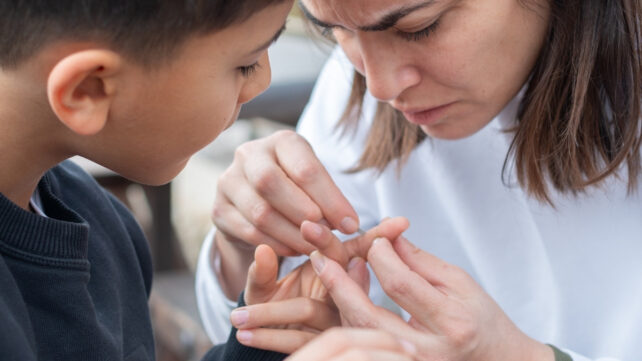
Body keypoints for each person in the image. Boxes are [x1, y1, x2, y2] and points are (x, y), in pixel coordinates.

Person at [196, 0, 642, 360]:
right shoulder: (351, 87)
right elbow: (261, 328)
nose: (380, 87)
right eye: (335, 31)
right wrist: (243, 249)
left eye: (419, 28)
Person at [0, 1, 419, 360]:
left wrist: (261, 346)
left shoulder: (103, 225)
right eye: (246, 63)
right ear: (88, 89)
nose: (261, 82)